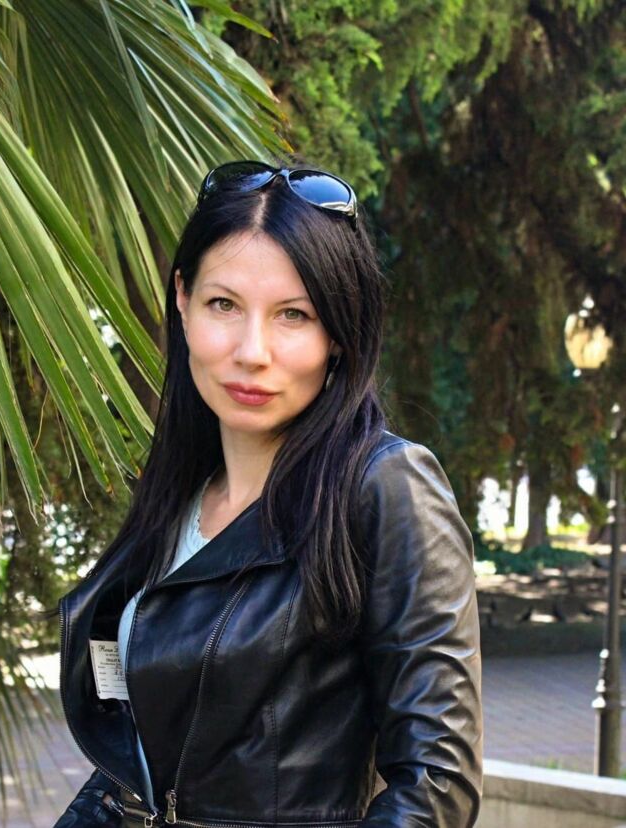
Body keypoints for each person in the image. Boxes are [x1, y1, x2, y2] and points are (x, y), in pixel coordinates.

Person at [53, 159, 483, 828]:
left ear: (337, 333)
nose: (252, 351)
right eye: (223, 305)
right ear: (182, 300)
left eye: (294, 315)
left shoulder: (384, 486)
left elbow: (436, 784)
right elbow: (136, 760)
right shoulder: (179, 495)